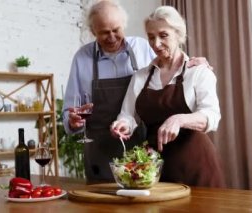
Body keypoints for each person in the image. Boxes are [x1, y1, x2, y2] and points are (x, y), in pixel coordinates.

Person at [62, 0, 210, 184]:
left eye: (116, 30)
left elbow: (171, 59)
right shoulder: (81, 59)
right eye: (104, 32)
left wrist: (194, 62)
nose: (112, 37)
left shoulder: (143, 48)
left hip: (143, 152)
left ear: (124, 25)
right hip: (100, 154)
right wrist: (73, 121)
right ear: (93, 32)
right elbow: (71, 113)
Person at [110, 6, 225, 187]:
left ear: (179, 35)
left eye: (163, 35)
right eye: (151, 37)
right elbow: (128, 115)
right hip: (155, 169)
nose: (156, 44)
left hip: (197, 166)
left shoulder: (198, 72)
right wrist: (123, 124)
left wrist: (179, 120)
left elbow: (211, 116)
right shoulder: (140, 77)